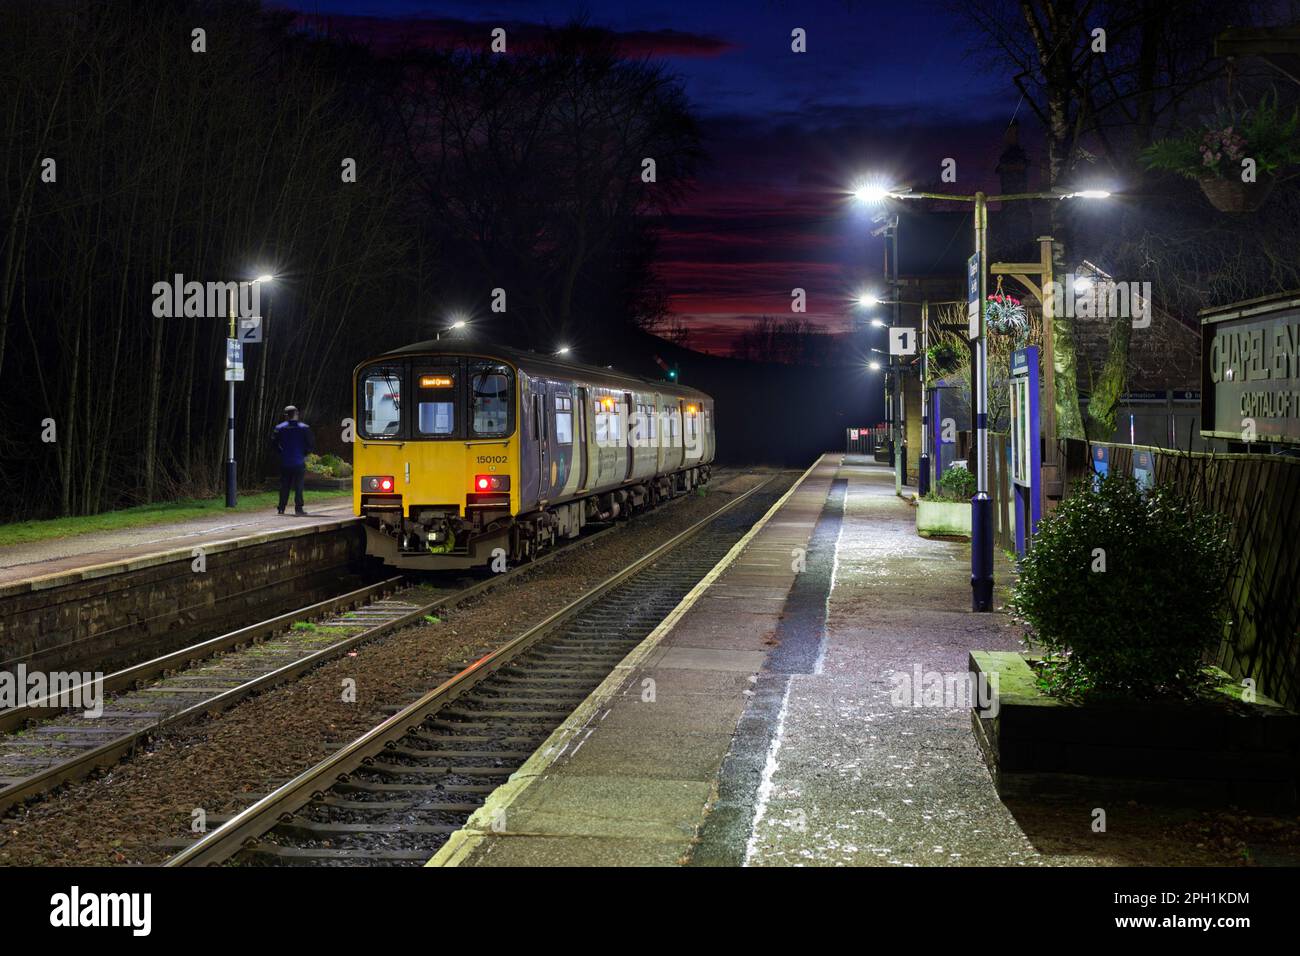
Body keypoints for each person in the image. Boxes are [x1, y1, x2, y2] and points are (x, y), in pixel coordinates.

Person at [272, 405, 315, 515]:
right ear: (297, 414)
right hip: (299, 461)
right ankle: (298, 508)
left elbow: (274, 444)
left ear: (286, 415)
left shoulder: (279, 428)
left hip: (285, 461)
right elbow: (310, 444)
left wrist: (281, 453)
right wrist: (304, 454)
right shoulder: (304, 428)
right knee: (299, 486)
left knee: (284, 486)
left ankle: (281, 508)